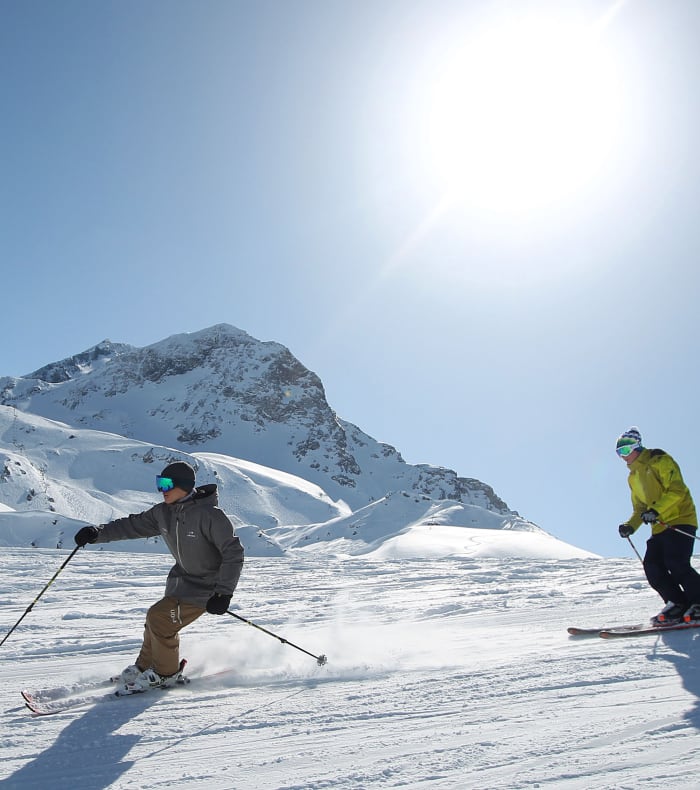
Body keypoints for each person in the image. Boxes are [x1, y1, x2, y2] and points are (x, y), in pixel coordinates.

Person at [74, 461, 244, 692]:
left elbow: (233, 553)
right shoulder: (163, 513)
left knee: (160, 619)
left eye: (166, 485)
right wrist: (97, 533)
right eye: (159, 484)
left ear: (183, 486)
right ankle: (146, 666)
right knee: (155, 619)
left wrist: (223, 592)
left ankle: (166, 673)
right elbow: (131, 526)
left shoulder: (210, 516)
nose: (161, 490)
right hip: (181, 583)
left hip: (208, 588)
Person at [616, 427, 700, 625]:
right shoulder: (633, 477)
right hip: (660, 526)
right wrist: (630, 526)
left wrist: (656, 511)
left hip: (680, 518)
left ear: (637, 446)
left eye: (626, 450)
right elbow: (640, 509)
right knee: (652, 566)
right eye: (619, 452)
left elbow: (677, 490)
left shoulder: (659, 460)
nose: (622, 456)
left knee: (676, 563)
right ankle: (677, 603)